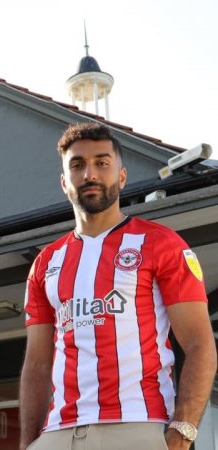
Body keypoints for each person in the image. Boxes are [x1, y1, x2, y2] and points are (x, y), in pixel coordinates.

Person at [19, 122, 216, 450]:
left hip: (138, 424)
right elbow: (37, 364)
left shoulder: (161, 243)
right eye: (77, 165)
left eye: (102, 163)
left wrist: (182, 433)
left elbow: (199, 343)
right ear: (64, 182)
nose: (90, 174)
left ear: (121, 176)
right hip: (58, 432)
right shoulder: (45, 263)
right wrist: (28, 443)